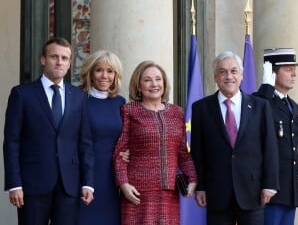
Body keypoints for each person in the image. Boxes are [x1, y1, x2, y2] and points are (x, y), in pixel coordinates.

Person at [3, 37, 94, 225]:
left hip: (69, 185)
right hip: (32, 185)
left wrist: (87, 182)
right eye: (54, 57)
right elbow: (12, 142)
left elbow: (84, 142)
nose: (59, 62)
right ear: (43, 60)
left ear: (69, 63)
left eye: (64, 58)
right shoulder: (22, 94)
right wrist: (14, 184)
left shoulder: (79, 97)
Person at [191, 51, 279, 225]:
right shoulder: (201, 108)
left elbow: (269, 147)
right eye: (222, 72)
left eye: (233, 71)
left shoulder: (260, 106)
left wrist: (269, 185)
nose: (228, 76)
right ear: (215, 77)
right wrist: (200, 187)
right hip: (217, 194)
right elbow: (198, 152)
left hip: (252, 192)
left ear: (241, 75)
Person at [113, 61, 197, 224]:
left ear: (164, 83)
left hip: (169, 194)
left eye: (158, 79)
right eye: (147, 80)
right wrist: (123, 184)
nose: (154, 84)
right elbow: (119, 153)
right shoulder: (129, 110)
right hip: (137, 192)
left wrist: (193, 178)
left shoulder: (176, 112)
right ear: (138, 85)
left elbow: (182, 153)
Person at [77, 50, 126, 224]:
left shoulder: (120, 102)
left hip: (112, 178)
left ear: (116, 75)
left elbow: (126, 138)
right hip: (83, 175)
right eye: (99, 70)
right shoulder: (77, 99)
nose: (104, 76)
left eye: (110, 71)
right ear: (90, 72)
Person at [254, 48, 298, 225]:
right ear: (272, 72)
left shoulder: (292, 106)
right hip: (270, 190)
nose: (294, 74)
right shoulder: (260, 101)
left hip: (289, 189)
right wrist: (266, 88)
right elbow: (255, 119)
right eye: (288, 69)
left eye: (294, 69)